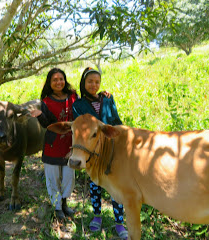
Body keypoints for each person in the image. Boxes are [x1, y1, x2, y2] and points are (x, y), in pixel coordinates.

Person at [72, 67, 128, 240]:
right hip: (92, 151)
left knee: (115, 187)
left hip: (111, 150)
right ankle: (97, 215)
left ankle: (119, 222)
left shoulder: (108, 99)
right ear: (84, 83)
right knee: (95, 184)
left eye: (97, 82)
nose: (94, 85)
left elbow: (116, 121)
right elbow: (81, 127)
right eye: (90, 81)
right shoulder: (78, 105)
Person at [30, 68, 78, 221]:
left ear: (65, 80)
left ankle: (64, 203)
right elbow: (48, 125)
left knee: (69, 177)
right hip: (52, 146)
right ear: (49, 83)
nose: (58, 82)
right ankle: (57, 207)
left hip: (71, 145)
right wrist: (40, 116)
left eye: (61, 79)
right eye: (55, 80)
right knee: (53, 178)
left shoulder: (73, 97)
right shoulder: (46, 102)